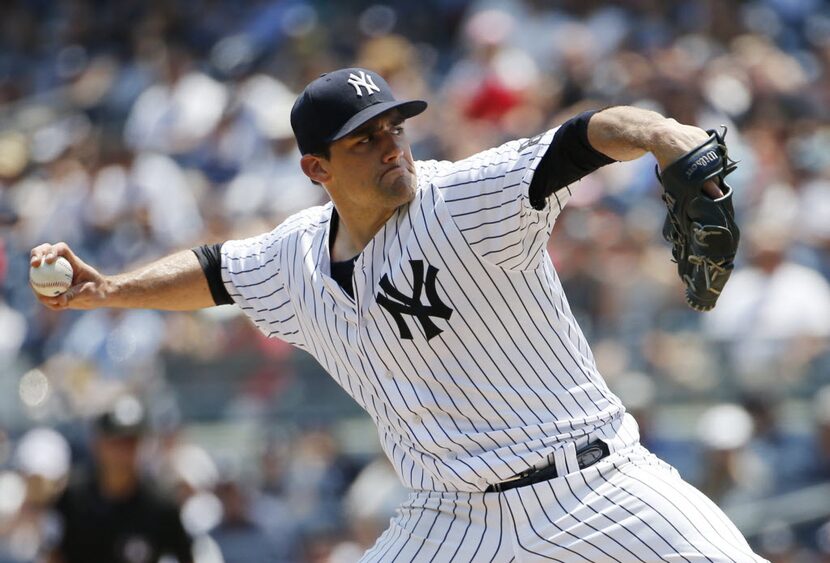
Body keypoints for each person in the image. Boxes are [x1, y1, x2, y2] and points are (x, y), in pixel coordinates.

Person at [32, 67, 765, 561]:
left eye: (394, 129)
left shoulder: (462, 199)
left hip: (597, 487)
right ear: (316, 168)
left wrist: (666, 135)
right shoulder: (295, 258)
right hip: (449, 521)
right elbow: (216, 271)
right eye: (365, 139)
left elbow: (578, 140)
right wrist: (107, 291)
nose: (391, 147)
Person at [47, 395, 193, 563]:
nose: (123, 452)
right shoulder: (72, 498)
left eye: (131, 442)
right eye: (116, 442)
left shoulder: (161, 506)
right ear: (98, 445)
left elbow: (185, 557)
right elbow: (53, 554)